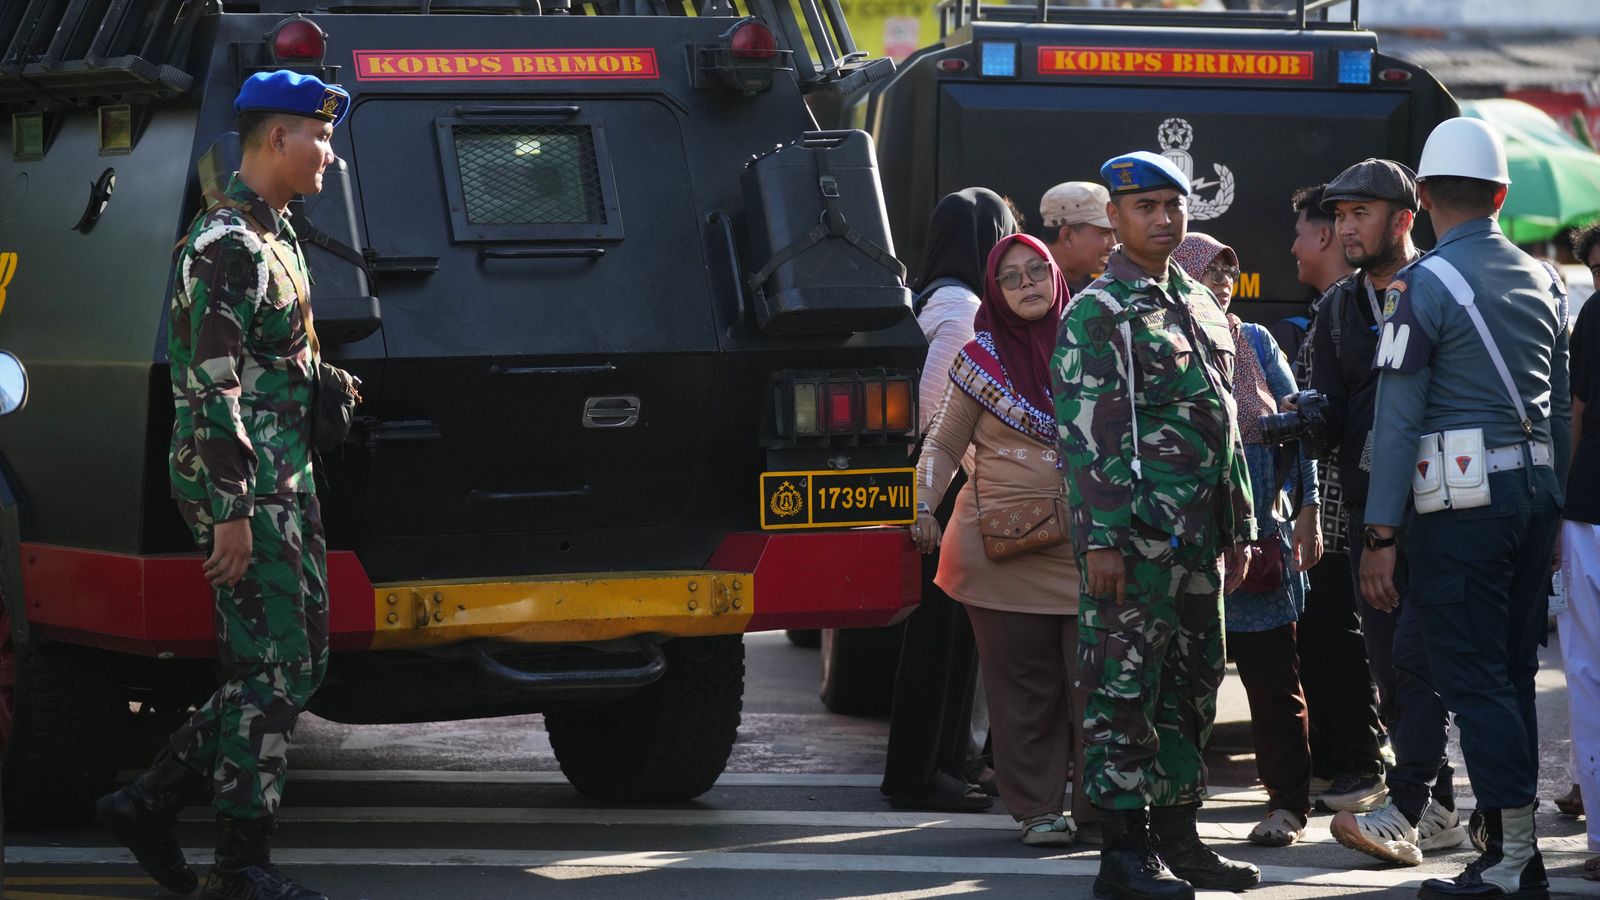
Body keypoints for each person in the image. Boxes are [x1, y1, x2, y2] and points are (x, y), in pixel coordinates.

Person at [96, 69, 346, 900]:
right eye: (318, 136)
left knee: (298, 663)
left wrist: (328, 385)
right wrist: (233, 511)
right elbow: (212, 383)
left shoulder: (279, 232)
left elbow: (275, 354)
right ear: (276, 139)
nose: (329, 155)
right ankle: (240, 865)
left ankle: (149, 799)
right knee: (272, 671)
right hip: (243, 486)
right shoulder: (225, 244)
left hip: (287, 476)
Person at [1359, 117, 1570, 900]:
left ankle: (1512, 860)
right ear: (1502, 194)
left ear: (1421, 195)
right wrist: (1550, 510)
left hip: (1459, 509)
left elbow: (1397, 420)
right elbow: (1558, 418)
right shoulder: (1546, 281)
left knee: (1473, 677)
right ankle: (1514, 849)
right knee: (1512, 673)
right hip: (1534, 501)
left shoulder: (1423, 285)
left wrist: (1381, 532)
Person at [1053, 150, 1259, 899]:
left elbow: (1224, 423)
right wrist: (1101, 540)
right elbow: (1088, 436)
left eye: (1174, 205)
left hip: (1199, 539)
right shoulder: (1097, 313)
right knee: (1122, 691)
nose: (1165, 219)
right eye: (1146, 207)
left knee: (1192, 688)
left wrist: (1239, 526)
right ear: (1113, 217)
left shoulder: (1200, 302)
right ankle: (1123, 854)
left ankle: (1180, 837)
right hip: (1135, 541)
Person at [912, 232, 1084, 848]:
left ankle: (1101, 812)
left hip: (1094, 554)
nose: (1027, 285)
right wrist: (923, 506)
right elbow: (943, 443)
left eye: (1036, 271)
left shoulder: (1092, 347)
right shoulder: (978, 360)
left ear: (1055, 275)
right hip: (1001, 558)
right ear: (995, 291)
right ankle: (1038, 810)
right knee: (1022, 692)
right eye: (1010, 278)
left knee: (1096, 686)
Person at [1174, 232, 1322, 848]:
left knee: (1271, 677)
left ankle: (1287, 804)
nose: (1224, 282)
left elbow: (1300, 427)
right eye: (1210, 271)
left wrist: (1309, 511)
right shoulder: (1166, 344)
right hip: (1189, 540)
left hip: (1260, 536)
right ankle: (1175, 804)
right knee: (1181, 680)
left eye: (1230, 271)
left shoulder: (1256, 342)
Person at [1301, 158, 1432, 815]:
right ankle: (1417, 799)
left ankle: (1475, 803)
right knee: (1391, 669)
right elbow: (1329, 411)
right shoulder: (1337, 307)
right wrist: (1303, 422)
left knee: (1457, 666)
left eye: (1360, 215)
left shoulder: (1440, 288)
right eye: (1339, 216)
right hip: (1363, 514)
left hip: (1445, 507)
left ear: (1404, 219)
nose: (1344, 230)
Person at [883, 188, 1017, 812]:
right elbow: (935, 410)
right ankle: (920, 773)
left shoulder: (938, 300)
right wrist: (928, 503)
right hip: (946, 487)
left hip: (942, 486)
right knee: (941, 641)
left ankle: (941, 766)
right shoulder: (963, 309)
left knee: (951, 637)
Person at [1559, 220, 1600, 880]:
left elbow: (1576, 410)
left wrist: (1556, 492)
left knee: (1592, 673)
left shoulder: (1594, 311)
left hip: (1592, 510)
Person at [1039, 181, 1117, 295]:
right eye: (1105, 233)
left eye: (1114, 232)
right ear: (1067, 237)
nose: (1113, 244)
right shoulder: (1029, 289)